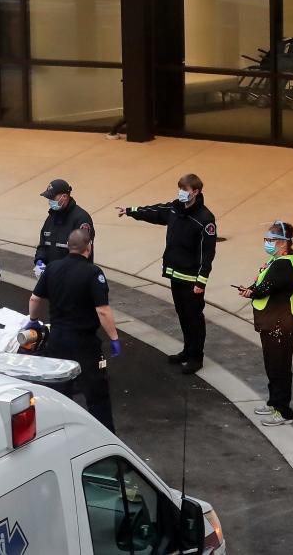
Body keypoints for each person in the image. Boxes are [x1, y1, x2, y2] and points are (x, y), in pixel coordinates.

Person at [116, 173, 216, 375]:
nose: (181, 193)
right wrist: (129, 211)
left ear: (195, 192)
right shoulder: (175, 209)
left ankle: (196, 357)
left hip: (191, 279)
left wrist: (201, 280)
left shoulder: (205, 219)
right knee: (182, 315)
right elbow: (154, 212)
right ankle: (187, 351)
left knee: (194, 318)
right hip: (175, 274)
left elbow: (208, 252)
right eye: (179, 188)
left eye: (185, 190)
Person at [26, 228, 120, 432]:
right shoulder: (93, 273)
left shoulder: (52, 268)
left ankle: (57, 432)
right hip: (84, 343)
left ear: (69, 246)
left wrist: (33, 320)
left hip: (57, 340)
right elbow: (103, 311)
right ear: (89, 247)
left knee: (59, 392)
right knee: (97, 395)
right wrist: (114, 337)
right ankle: (105, 435)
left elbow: (35, 298)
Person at [236, 221, 293, 427]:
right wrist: (250, 289)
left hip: (280, 324)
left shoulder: (284, 265)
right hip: (272, 323)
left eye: (271, 239)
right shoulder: (275, 261)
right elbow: (262, 284)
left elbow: (266, 287)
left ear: (283, 242)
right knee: (272, 365)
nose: (267, 243)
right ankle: (274, 403)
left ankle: (284, 412)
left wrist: (253, 291)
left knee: (280, 367)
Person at [34, 179, 94, 279]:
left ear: (65, 197)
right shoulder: (51, 218)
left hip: (73, 279)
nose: (50, 201)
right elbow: (43, 245)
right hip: (52, 278)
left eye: (52, 197)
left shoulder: (81, 219)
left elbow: (83, 253)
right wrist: (39, 261)